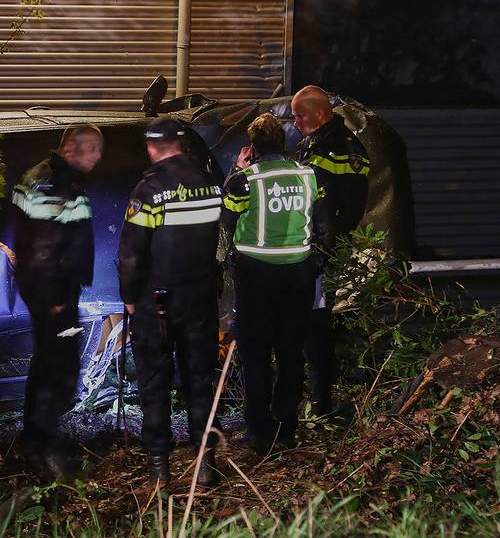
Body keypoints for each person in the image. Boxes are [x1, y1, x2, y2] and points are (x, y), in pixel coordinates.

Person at [119, 118, 225, 488]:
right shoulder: (211, 184)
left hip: (156, 303)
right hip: (200, 297)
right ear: (182, 144)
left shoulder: (149, 190)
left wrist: (130, 297)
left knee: (154, 382)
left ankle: (160, 472)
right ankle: (206, 465)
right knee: (200, 379)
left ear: (151, 147)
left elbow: (132, 254)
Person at [223, 113, 331, 453]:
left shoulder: (246, 179)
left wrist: (236, 169)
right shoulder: (309, 175)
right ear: (283, 143)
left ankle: (259, 431)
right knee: (290, 351)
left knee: (256, 354)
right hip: (298, 274)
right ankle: (287, 429)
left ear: (252, 147)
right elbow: (322, 220)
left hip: (255, 275)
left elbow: (227, 216)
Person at [12, 124, 103, 477]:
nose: (98, 156)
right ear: (70, 149)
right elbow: (43, 246)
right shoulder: (52, 184)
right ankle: (41, 450)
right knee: (56, 368)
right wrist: (55, 298)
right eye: (93, 148)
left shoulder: (52, 177)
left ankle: (40, 440)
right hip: (53, 293)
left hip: (53, 291)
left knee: (53, 364)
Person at [291, 85, 371, 419]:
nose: (295, 123)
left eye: (300, 116)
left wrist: (319, 250)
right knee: (312, 325)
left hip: (320, 252)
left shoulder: (331, 148)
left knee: (316, 327)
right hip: (322, 248)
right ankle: (315, 397)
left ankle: (320, 400)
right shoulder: (330, 145)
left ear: (322, 114)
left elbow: (329, 207)